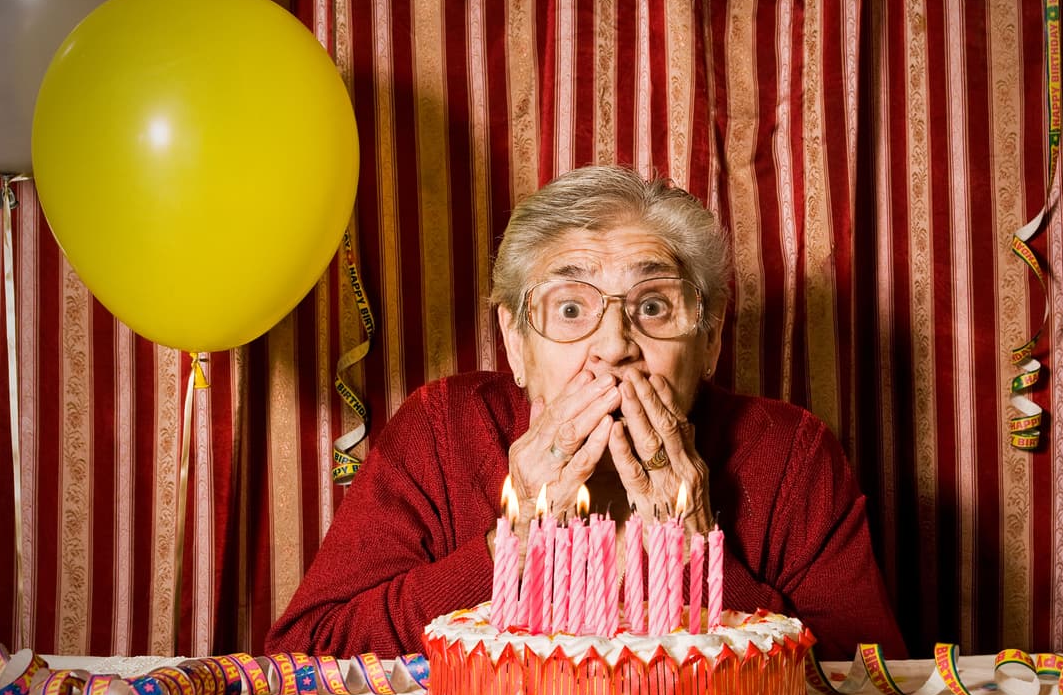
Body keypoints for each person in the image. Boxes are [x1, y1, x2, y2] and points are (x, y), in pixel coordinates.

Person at [265, 165, 906, 661]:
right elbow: (305, 655)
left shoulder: (790, 450)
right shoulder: (442, 428)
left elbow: (869, 677)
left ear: (709, 343)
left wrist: (695, 558)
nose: (614, 345)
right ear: (517, 343)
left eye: (653, 307)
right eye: (570, 309)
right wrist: (502, 550)